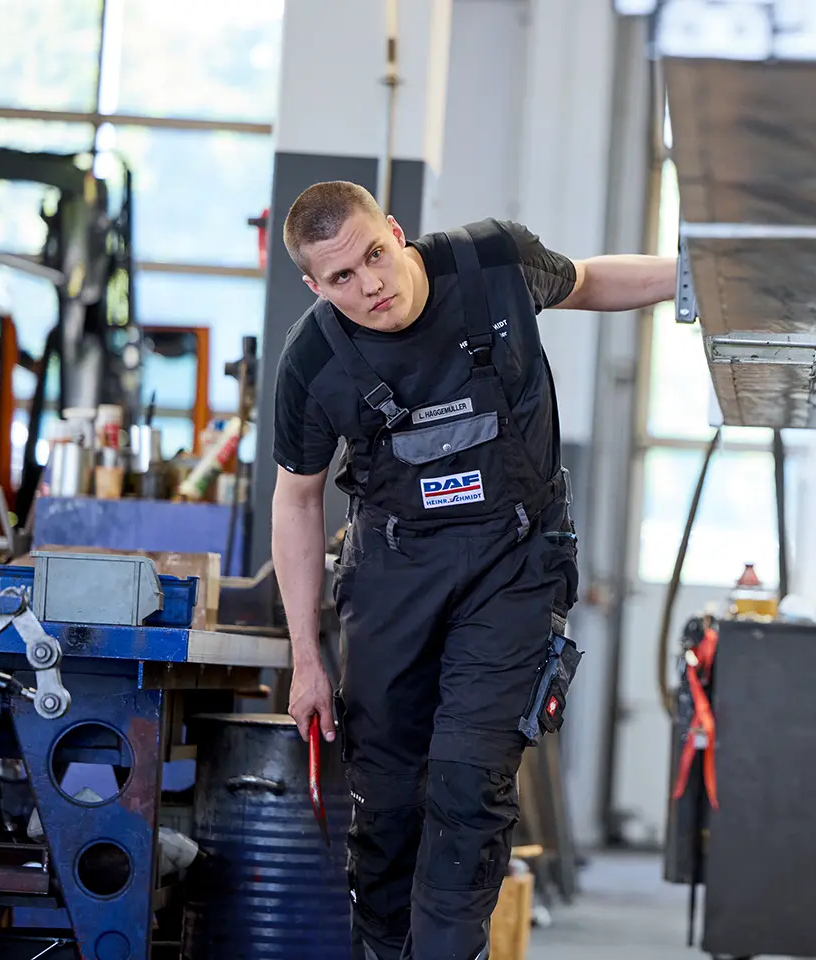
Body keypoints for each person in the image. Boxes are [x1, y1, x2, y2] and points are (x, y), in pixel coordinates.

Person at [269, 180, 676, 960]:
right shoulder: (314, 359)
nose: (371, 286)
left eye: (375, 257)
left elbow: (589, 282)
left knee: (466, 790)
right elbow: (297, 504)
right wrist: (307, 661)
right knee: (386, 811)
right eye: (343, 279)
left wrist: (695, 276)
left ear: (394, 232)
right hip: (392, 581)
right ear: (314, 286)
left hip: (513, 567)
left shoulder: (494, 263)